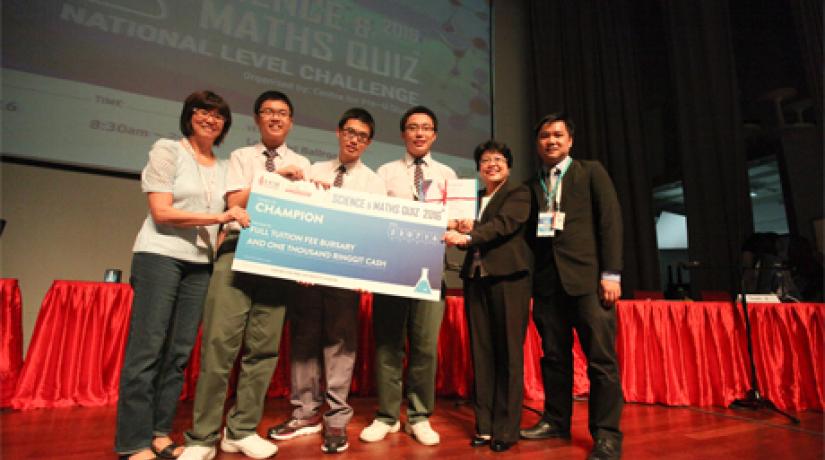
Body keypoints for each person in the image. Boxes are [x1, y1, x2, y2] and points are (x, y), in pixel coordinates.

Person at [115, 90, 249, 460]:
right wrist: (220, 217)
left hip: (200, 263)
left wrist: (281, 177)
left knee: (178, 353)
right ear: (189, 116)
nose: (210, 119)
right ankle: (132, 442)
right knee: (147, 350)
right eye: (203, 112)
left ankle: (159, 432)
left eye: (219, 115)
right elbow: (162, 212)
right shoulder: (167, 150)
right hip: (160, 256)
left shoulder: (224, 167)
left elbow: (241, 203)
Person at [178, 91, 311, 460]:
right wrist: (275, 180)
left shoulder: (304, 162)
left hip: (278, 259)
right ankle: (201, 437)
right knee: (219, 347)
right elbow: (234, 202)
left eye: (282, 113)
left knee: (264, 351)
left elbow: (309, 218)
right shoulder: (240, 157)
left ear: (291, 121)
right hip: (237, 252)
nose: (275, 118)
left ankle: (240, 430)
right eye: (268, 112)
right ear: (256, 119)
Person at [267, 108, 386, 454]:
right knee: (303, 341)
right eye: (349, 132)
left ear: (368, 142)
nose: (354, 139)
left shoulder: (374, 182)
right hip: (306, 276)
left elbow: (373, 232)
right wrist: (302, 266)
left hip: (345, 276)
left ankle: (335, 418)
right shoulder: (314, 170)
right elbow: (300, 219)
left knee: (340, 345)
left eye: (362, 135)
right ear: (338, 133)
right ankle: (304, 413)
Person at [521, 112, 624, 460]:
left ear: (570, 141)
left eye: (557, 135)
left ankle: (607, 435)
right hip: (549, 285)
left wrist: (611, 273)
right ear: (537, 143)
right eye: (544, 136)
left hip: (589, 283)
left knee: (601, 362)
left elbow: (610, 221)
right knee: (553, 357)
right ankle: (555, 420)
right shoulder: (534, 182)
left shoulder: (591, 171)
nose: (551, 140)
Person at [359, 106, 457, 446]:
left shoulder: (448, 175)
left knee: (425, 348)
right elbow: (371, 219)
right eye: (412, 127)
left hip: (431, 271)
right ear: (403, 134)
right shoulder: (384, 173)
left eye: (426, 128)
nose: (419, 133)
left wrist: (460, 224)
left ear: (434, 135)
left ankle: (419, 416)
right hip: (391, 270)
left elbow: (457, 222)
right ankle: (387, 416)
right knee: (388, 345)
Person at [443, 140, 532, 453]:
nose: (491, 164)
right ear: (478, 168)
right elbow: (476, 225)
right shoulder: (474, 199)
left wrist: (467, 235)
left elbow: (504, 226)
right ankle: (484, 425)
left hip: (509, 280)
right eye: (485, 160)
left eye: (498, 159)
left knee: (508, 354)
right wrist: (456, 224)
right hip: (476, 279)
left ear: (508, 166)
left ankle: (507, 429)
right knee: (481, 354)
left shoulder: (518, 193)